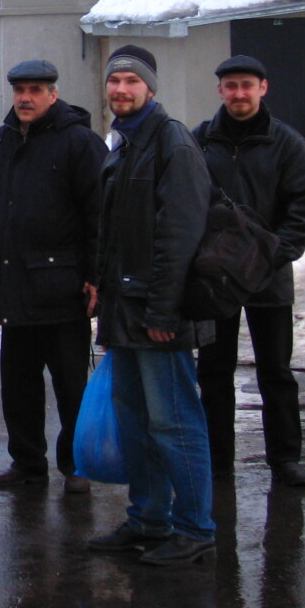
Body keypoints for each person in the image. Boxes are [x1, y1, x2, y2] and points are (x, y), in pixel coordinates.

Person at [86, 44, 216, 568]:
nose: (121, 89)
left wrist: (164, 312)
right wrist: (100, 285)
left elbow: (179, 237)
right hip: (125, 310)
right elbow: (116, 232)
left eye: (131, 81)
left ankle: (195, 527)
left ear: (150, 88)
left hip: (159, 314)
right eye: (114, 80)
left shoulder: (172, 143)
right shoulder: (124, 144)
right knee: (136, 421)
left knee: (174, 424)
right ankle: (148, 518)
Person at [0, 60, 107, 494]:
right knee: (18, 385)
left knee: (71, 384)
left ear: (53, 94)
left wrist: (96, 275)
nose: (25, 98)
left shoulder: (80, 144)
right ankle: (26, 463)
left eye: (35, 90)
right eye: (20, 90)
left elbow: (100, 216)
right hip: (13, 285)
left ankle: (76, 464)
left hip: (64, 288)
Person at [193, 55, 305, 487]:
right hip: (214, 280)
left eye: (247, 85)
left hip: (268, 275)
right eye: (231, 86)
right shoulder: (200, 141)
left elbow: (301, 211)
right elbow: (185, 202)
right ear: (220, 91)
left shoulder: (286, 144)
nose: (239, 93)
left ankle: (285, 459)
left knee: (276, 371)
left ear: (263, 88)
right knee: (213, 370)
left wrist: (271, 255)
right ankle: (217, 460)